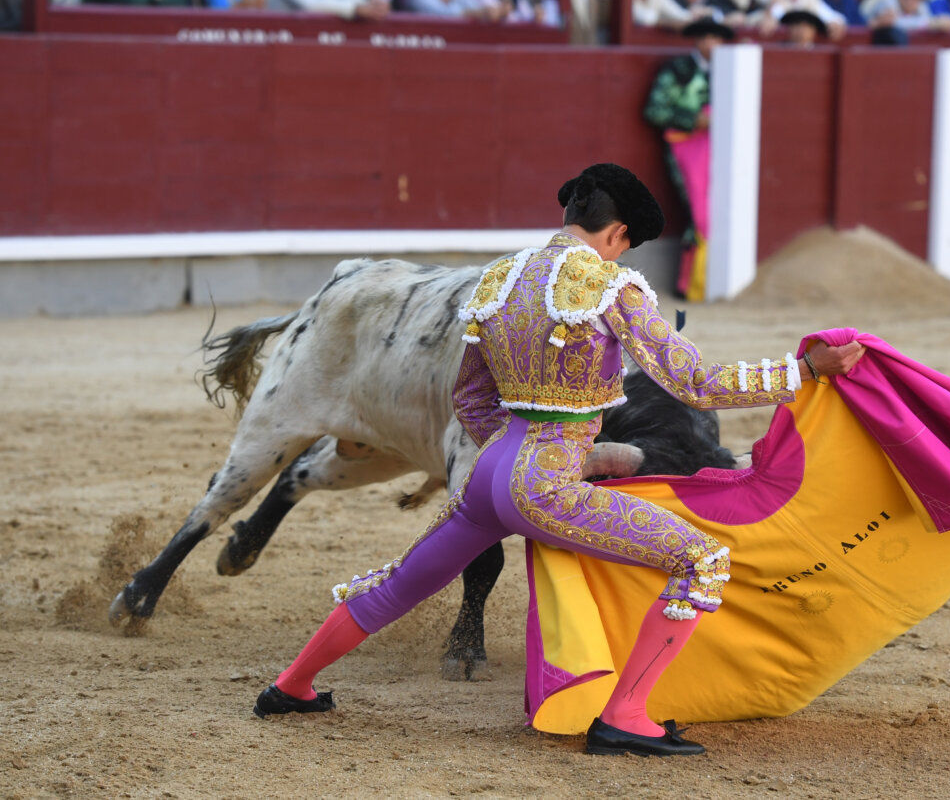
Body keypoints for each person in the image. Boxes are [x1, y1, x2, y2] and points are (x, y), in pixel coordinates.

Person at [252, 163, 865, 758]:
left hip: (489, 475)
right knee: (702, 561)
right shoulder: (609, 286)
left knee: (399, 583)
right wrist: (802, 371)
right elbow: (695, 383)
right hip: (546, 483)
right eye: (625, 246)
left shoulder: (499, 280)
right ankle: (625, 717)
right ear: (617, 233)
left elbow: (470, 397)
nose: (621, 257)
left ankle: (291, 685)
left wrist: (508, 458)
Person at [643, 17, 733, 300]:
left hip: (723, 148)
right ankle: (690, 286)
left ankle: (705, 282)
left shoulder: (730, 69)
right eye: (707, 37)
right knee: (699, 213)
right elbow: (654, 110)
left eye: (717, 38)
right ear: (697, 40)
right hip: (686, 147)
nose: (712, 43)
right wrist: (693, 120)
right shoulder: (678, 70)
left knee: (719, 209)